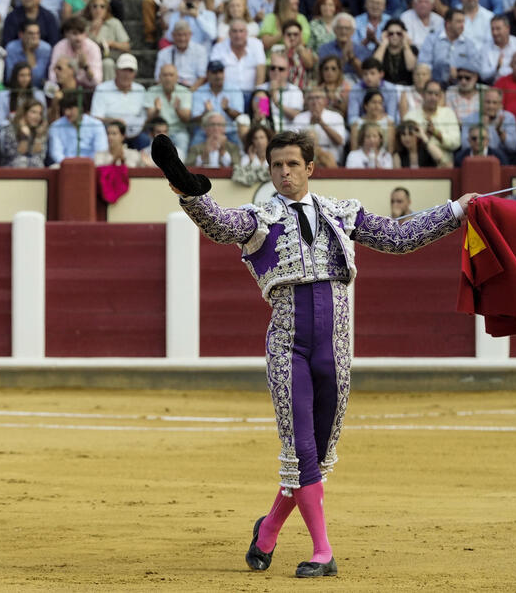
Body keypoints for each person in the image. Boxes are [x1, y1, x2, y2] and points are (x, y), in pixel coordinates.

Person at [162, 129, 477, 580]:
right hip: (287, 342)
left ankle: (268, 528)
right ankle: (323, 550)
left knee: (320, 450)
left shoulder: (341, 212)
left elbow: (398, 236)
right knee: (300, 447)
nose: (284, 173)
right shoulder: (260, 217)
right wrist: (192, 193)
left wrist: (457, 209)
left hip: (336, 346)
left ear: (309, 168)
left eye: (292, 165)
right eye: (276, 166)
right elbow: (221, 224)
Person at [403, 80, 460, 166]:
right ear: (423, 94)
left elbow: (456, 143)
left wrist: (436, 134)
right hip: (418, 164)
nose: (433, 97)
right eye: (430, 93)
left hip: (444, 165)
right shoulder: (411, 116)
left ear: (440, 97)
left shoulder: (448, 113)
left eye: (436, 94)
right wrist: (422, 137)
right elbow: (403, 142)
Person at [417, 8, 479, 86]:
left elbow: (476, 66)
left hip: (459, 86)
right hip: (434, 84)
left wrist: (458, 71)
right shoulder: (432, 40)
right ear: (448, 23)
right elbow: (423, 63)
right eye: (458, 22)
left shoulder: (468, 44)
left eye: (463, 22)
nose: (462, 25)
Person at [290, 88, 346, 167]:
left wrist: (322, 123)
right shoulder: (299, 118)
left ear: (325, 100)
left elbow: (340, 141)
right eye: (311, 98)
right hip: (305, 160)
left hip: (331, 161)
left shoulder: (336, 116)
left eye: (317, 98)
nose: (314, 101)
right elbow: (293, 143)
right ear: (306, 102)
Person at [143, 63, 192, 155]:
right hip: (158, 132)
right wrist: (156, 110)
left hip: (177, 131)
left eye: (171, 75)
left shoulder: (185, 92)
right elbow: (148, 118)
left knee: (183, 139)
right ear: (160, 77)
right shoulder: (152, 91)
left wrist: (178, 110)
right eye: (165, 75)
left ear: (177, 77)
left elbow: (187, 118)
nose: (168, 78)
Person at [47, 95, 108, 163]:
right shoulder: (56, 126)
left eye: (70, 108)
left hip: (92, 165)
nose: (67, 113)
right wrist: (70, 166)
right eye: (65, 109)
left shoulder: (96, 124)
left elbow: (101, 151)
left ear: (81, 108)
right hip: (65, 166)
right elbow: (56, 153)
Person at [460, 88, 516, 157]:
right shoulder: (469, 119)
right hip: (475, 157)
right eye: (488, 102)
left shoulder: (508, 118)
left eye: (494, 103)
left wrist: (500, 132)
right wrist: (482, 128)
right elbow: (465, 145)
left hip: (502, 159)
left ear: (500, 105)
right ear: (481, 103)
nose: (491, 106)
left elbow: (513, 147)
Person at [154, 20, 208, 90]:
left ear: (190, 35)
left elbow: (202, 77)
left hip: (193, 89)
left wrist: (189, 93)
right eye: (179, 35)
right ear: (173, 35)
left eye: (185, 35)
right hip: (171, 90)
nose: (182, 39)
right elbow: (158, 78)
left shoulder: (200, 51)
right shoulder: (163, 53)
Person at [0, 98, 48, 167]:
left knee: (37, 163)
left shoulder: (40, 131)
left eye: (40, 113)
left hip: (32, 167)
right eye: (33, 112)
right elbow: (16, 155)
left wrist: (38, 137)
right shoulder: (11, 129)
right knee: (22, 162)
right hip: (11, 166)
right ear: (24, 113)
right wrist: (24, 137)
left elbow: (40, 156)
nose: (37, 117)